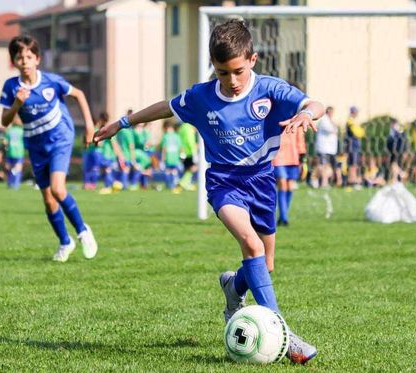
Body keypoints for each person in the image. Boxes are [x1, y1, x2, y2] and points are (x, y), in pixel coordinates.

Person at [94, 19, 324, 364]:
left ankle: (234, 287)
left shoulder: (270, 90)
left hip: (262, 180)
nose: (231, 81)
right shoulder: (202, 96)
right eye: (221, 73)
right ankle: (285, 335)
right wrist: (122, 123)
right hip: (224, 182)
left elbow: (316, 103)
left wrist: (306, 115)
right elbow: (164, 107)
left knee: (267, 263)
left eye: (237, 71)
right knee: (251, 244)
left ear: (253, 60)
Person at [0, 35, 98, 262]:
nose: (24, 61)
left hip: (61, 137)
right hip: (35, 144)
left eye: (29, 57)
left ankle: (83, 231)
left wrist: (89, 126)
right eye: (19, 57)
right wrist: (17, 104)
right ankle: (65, 242)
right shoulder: (11, 87)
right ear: (14, 61)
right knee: (48, 199)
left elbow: (79, 95)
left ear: (37, 59)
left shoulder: (51, 81)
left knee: (57, 189)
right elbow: (5, 121)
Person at [272, 129, 303, 226]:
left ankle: (282, 217)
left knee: (290, 187)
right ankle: (284, 217)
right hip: (278, 155)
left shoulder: (295, 118)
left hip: (293, 156)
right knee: (282, 184)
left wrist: (302, 153)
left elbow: (300, 136)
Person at [315, 106, 337, 188]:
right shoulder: (324, 120)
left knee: (327, 166)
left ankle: (324, 182)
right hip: (323, 148)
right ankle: (322, 182)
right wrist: (334, 126)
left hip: (329, 149)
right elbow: (332, 130)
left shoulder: (329, 120)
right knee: (323, 166)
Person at [344, 106, 365, 189]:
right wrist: (360, 131)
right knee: (353, 164)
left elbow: (361, 132)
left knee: (354, 164)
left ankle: (352, 181)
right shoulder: (350, 121)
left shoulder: (353, 121)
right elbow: (358, 133)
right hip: (352, 146)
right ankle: (352, 182)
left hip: (354, 146)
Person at [160, 120, 182, 191]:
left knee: (168, 171)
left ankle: (169, 185)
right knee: (174, 171)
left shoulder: (165, 136)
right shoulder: (177, 136)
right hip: (175, 158)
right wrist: (181, 158)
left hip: (168, 158)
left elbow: (164, 149)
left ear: (166, 127)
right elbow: (180, 148)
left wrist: (162, 160)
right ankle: (175, 185)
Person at [177, 122, 198, 191]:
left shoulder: (183, 127)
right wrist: (194, 151)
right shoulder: (188, 128)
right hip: (189, 152)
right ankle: (183, 183)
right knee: (193, 168)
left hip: (183, 152)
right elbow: (190, 141)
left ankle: (186, 184)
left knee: (188, 168)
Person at [3, 123, 25, 189]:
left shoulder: (9, 131)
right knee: (18, 169)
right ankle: (16, 184)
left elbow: (5, 142)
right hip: (19, 152)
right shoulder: (22, 131)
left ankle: (10, 183)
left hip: (10, 152)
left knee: (9, 168)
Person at [386, 118, 407, 184]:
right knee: (394, 164)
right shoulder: (392, 131)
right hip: (393, 151)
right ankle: (397, 177)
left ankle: (399, 175)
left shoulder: (398, 131)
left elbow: (403, 141)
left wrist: (404, 150)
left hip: (397, 151)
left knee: (394, 164)